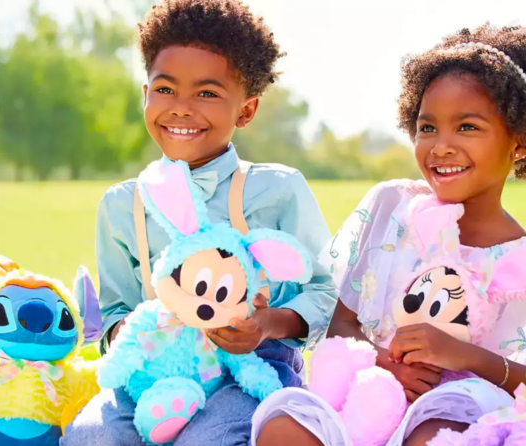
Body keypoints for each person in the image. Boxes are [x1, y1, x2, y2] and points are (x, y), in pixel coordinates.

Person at [253, 23, 526, 446]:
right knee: (284, 428)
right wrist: (387, 365)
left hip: (465, 416)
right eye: (427, 128)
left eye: (467, 127)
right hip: (370, 400)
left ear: (520, 142)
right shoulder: (392, 208)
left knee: (435, 435)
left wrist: (466, 358)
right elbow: (341, 322)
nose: (441, 146)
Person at [61, 1, 336, 445]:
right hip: (149, 374)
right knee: (91, 437)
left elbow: (326, 292)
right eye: (165, 89)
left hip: (248, 370)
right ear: (145, 95)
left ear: (245, 110)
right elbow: (115, 311)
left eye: (207, 93)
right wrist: (141, 333)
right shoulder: (122, 205)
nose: (182, 108)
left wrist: (265, 325)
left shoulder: (278, 190)